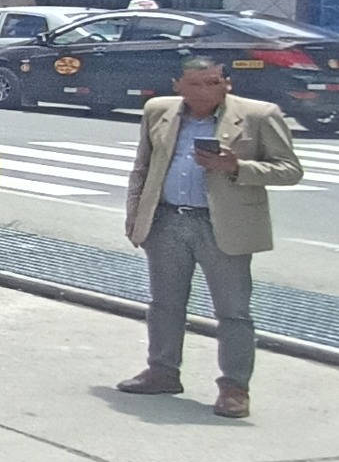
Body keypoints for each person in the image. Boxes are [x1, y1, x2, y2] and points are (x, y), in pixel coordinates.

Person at [118, 58, 304, 419]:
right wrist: (135, 217)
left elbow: (290, 170)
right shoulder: (158, 111)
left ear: (227, 84)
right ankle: (162, 371)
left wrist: (237, 167)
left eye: (214, 82)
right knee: (164, 304)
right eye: (196, 84)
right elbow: (143, 167)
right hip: (168, 220)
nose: (207, 91)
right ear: (178, 86)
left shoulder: (259, 116)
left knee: (233, 311)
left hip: (223, 226)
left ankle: (234, 386)